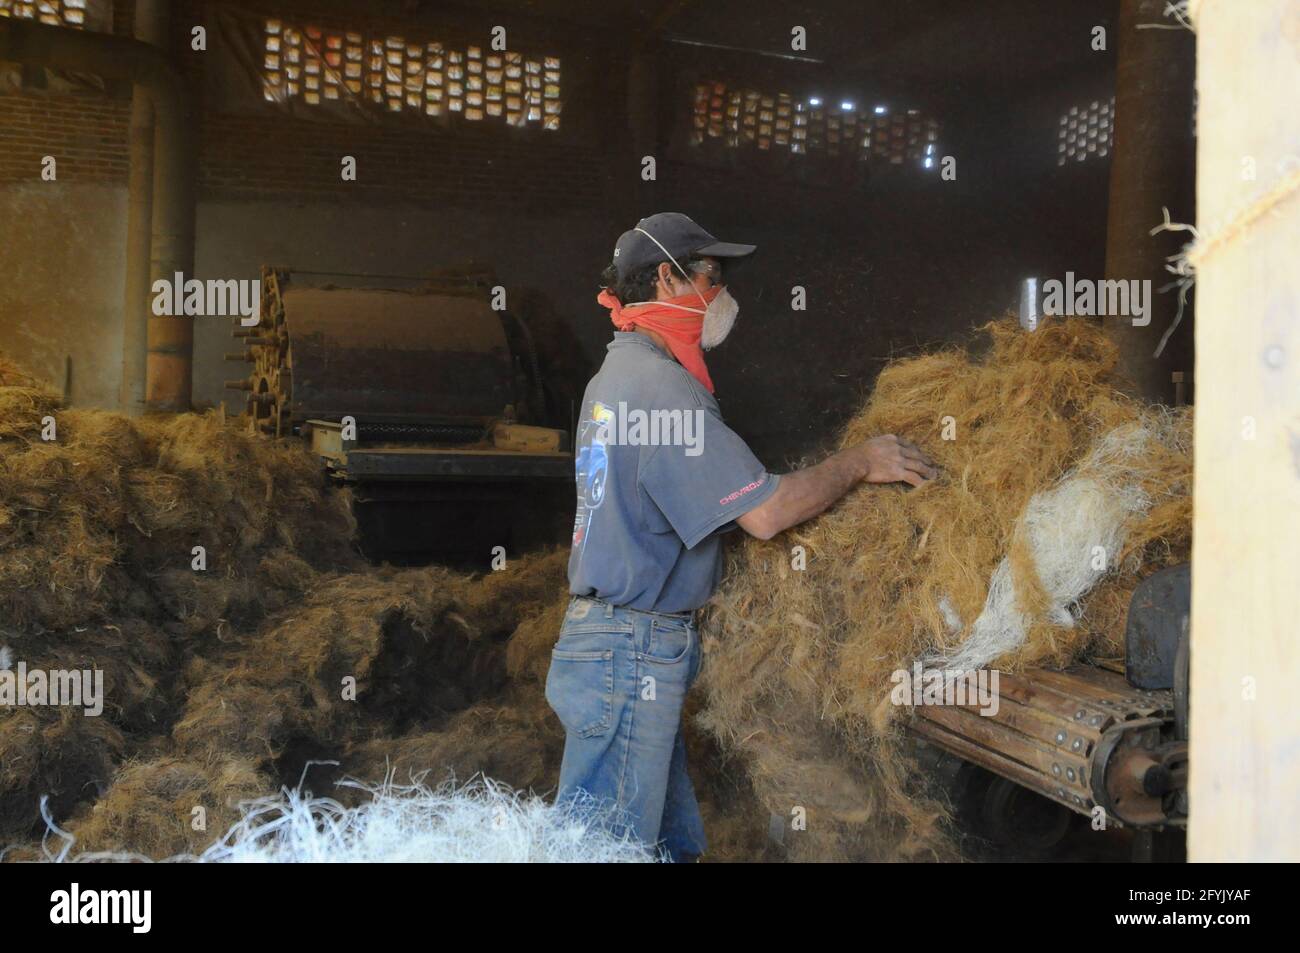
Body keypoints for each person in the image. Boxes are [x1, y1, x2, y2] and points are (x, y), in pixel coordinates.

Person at [546, 212, 937, 860]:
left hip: (620, 645)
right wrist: (862, 461)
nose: (724, 295)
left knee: (664, 845)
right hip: (629, 649)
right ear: (669, 278)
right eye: (712, 276)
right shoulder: (660, 389)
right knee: (604, 851)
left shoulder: (616, 376)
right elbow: (766, 512)